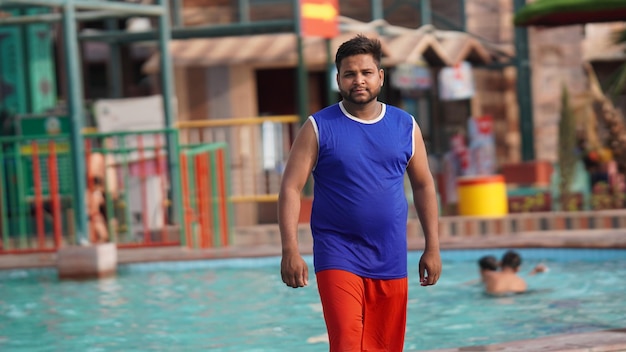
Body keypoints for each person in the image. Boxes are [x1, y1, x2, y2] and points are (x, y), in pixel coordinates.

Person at [278, 34, 441, 351]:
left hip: (391, 255)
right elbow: (290, 187)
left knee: (385, 346)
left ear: (380, 76)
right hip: (337, 253)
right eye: (350, 74)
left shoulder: (405, 126)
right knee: (348, 344)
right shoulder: (318, 127)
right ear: (338, 78)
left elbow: (424, 185)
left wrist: (432, 247)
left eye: (366, 72)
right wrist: (290, 250)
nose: (359, 80)